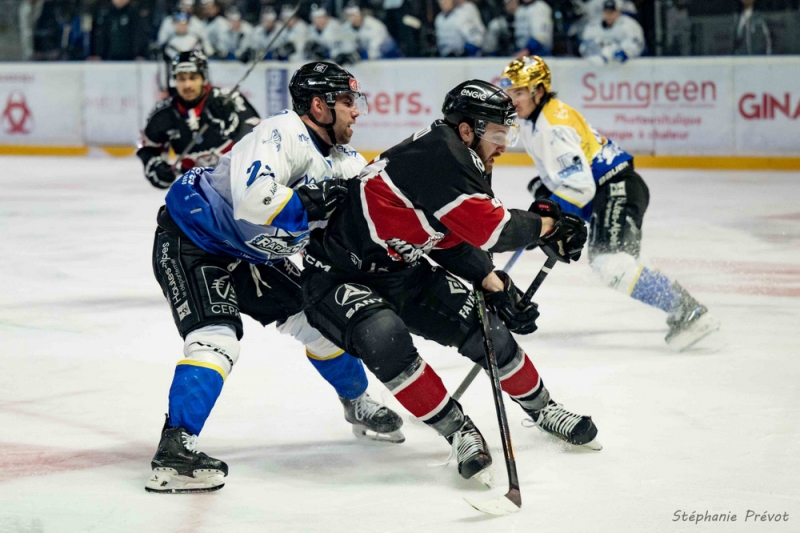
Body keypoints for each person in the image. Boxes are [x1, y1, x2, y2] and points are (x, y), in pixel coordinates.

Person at [301, 79, 601, 485]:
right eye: (497, 133)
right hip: (336, 276)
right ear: (466, 130)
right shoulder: (444, 157)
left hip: (398, 268)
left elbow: (448, 237)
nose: (504, 144)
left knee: (487, 331)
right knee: (386, 339)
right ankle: (459, 432)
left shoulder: (460, 154)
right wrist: (551, 225)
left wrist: (492, 281)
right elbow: (494, 232)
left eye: (507, 132)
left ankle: (543, 409)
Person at [145, 61, 404, 494]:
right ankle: (174, 451)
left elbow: (368, 217)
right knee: (217, 338)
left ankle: (357, 403)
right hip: (194, 237)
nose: (356, 111)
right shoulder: (280, 133)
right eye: (346, 102)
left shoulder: (344, 159)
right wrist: (311, 199)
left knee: (322, 326)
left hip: (253, 252)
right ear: (319, 106)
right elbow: (253, 202)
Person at [499, 56, 720, 351]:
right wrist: (547, 200)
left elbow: (580, 187)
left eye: (520, 92)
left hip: (617, 189)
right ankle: (684, 307)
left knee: (611, 263)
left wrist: (542, 221)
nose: (513, 100)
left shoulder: (552, 125)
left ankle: (689, 311)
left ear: (539, 90)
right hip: (612, 190)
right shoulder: (535, 119)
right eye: (510, 92)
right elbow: (571, 176)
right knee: (614, 261)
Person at [137, 51, 260, 189]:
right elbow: (146, 145)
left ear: (204, 78)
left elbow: (258, 132)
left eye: (193, 77)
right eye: (181, 79)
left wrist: (232, 125)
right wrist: (155, 166)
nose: (187, 85)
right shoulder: (163, 113)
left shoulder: (228, 101)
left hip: (239, 182)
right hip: (195, 190)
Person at [579, 0, 644, 64]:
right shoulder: (593, 26)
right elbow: (584, 47)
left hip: (625, 69)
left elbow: (636, 45)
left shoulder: (629, 25)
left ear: (618, 11)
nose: (609, 15)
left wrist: (618, 53)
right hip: (598, 68)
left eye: (612, 12)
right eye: (606, 12)